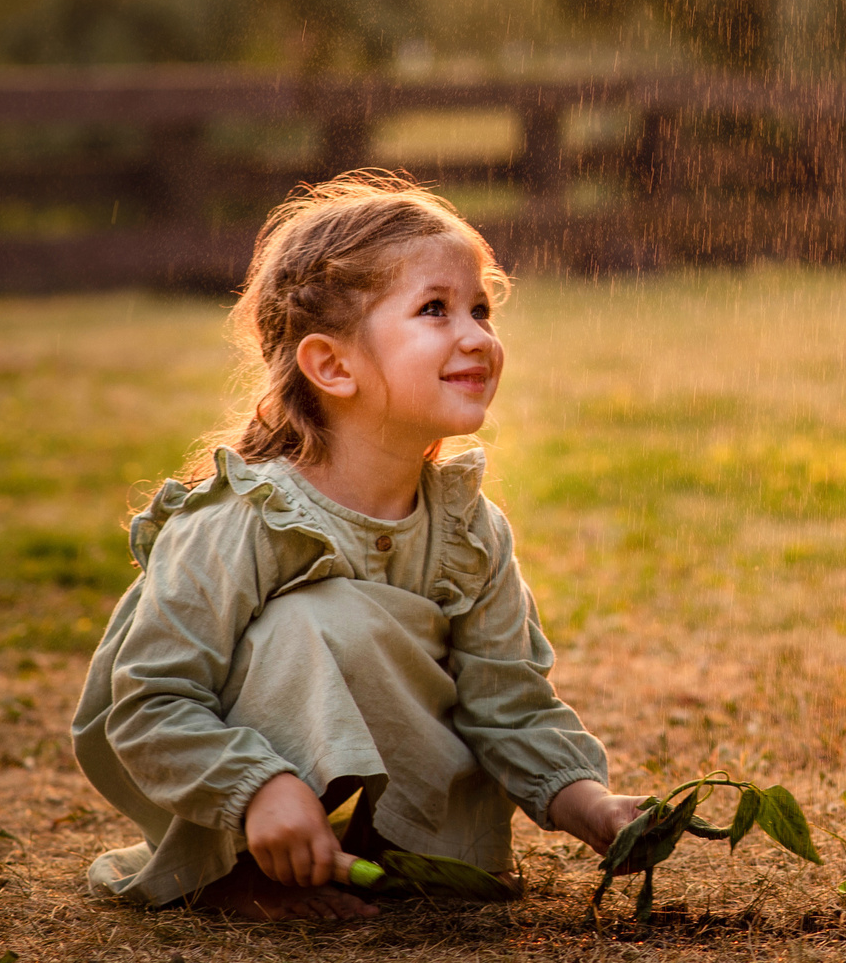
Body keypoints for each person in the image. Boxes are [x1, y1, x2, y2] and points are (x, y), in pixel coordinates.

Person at [71, 173, 644, 920]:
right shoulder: (243, 517)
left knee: (347, 621)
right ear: (332, 365)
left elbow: (509, 704)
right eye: (434, 309)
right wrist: (258, 789)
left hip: (410, 849)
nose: (476, 334)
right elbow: (149, 702)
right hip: (243, 801)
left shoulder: (470, 528)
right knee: (316, 618)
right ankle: (245, 874)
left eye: (481, 308)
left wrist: (590, 804)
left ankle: (388, 852)